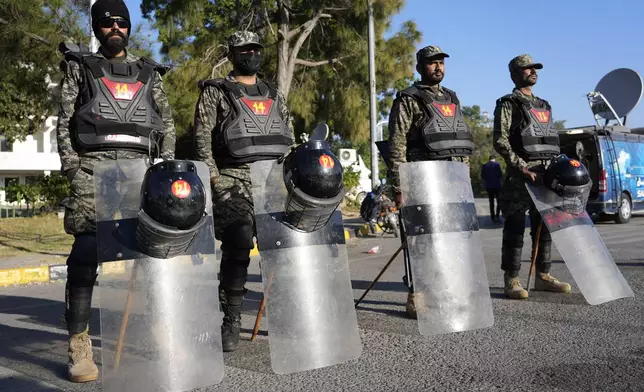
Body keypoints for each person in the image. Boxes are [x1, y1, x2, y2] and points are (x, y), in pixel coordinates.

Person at [56, 0, 175, 382]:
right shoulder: (80, 67)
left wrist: (164, 170)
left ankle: (155, 331)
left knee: (154, 253)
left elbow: (166, 125)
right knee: (87, 251)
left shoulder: (148, 73)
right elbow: (64, 123)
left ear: (129, 27)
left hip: (142, 175)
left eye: (121, 22)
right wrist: (74, 171)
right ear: (96, 28)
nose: (115, 28)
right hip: (93, 171)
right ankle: (79, 344)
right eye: (106, 23)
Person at [193, 31, 295, 352]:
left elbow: (287, 133)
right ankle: (232, 319)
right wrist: (213, 177)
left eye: (255, 49)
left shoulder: (273, 93)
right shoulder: (216, 92)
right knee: (237, 244)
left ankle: (283, 316)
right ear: (233, 53)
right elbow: (202, 136)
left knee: (278, 249)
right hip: (232, 176)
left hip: (271, 178)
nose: (251, 54)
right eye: (244, 49)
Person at [388, 45, 473, 319]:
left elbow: (458, 138)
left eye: (441, 63)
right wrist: (400, 186)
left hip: (451, 179)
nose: (438, 67)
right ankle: (417, 293)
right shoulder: (408, 98)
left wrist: (464, 176)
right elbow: (397, 143)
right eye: (432, 63)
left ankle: (445, 290)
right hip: (422, 179)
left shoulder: (451, 98)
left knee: (450, 239)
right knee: (420, 239)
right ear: (419, 67)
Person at [492, 54, 571, 300]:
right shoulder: (508, 103)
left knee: (545, 226)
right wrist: (521, 166)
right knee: (515, 227)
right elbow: (500, 140)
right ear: (515, 74)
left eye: (535, 68)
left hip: (546, 175)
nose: (532, 71)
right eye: (527, 68)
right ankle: (512, 280)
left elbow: (549, 139)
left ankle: (543, 276)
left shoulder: (544, 105)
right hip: (520, 176)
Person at [481, 155, 503, 222]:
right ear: (494, 159)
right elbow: (500, 175)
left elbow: (482, 176)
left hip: (488, 186)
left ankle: (492, 217)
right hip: (497, 186)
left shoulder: (485, 166)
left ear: (489, 159)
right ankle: (497, 216)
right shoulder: (497, 165)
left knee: (491, 202)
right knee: (499, 202)